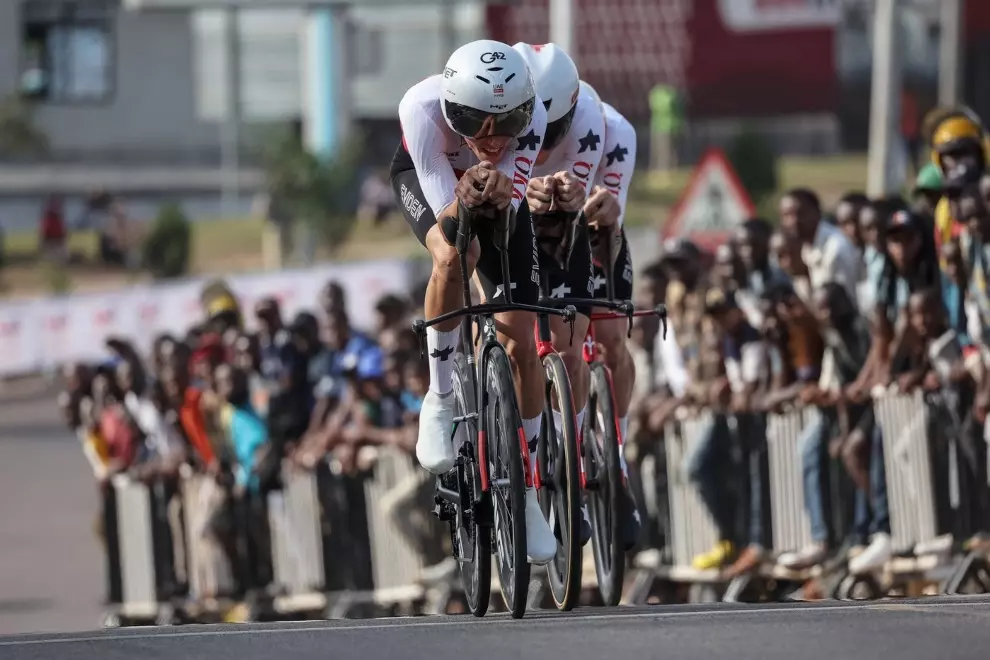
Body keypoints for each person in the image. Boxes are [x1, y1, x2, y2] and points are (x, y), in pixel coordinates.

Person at [389, 39, 555, 562]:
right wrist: (467, 193)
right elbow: (455, 229)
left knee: (521, 337)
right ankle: (439, 400)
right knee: (452, 256)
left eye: (506, 124)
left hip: (496, 198)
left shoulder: (537, 117)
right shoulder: (420, 109)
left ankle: (526, 488)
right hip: (431, 176)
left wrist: (499, 185)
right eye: (476, 121)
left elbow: (507, 208)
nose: (490, 138)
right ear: (451, 109)